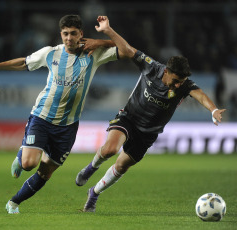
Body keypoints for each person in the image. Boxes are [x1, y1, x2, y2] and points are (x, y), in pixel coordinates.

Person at [75, 16, 226, 212]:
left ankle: (94, 193)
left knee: (121, 167)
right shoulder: (151, 67)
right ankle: (91, 168)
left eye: (182, 81)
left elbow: (201, 95)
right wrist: (108, 30)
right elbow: (128, 49)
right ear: (167, 71)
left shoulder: (184, 85)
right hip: (129, 118)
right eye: (177, 80)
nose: (179, 84)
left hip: (148, 133)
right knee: (110, 150)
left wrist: (213, 109)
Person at [0, 15, 120, 214]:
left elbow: (126, 49)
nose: (69, 38)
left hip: (68, 125)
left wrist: (102, 38)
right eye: (65, 34)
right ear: (61, 35)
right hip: (42, 117)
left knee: (46, 172)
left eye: (73, 34)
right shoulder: (50, 53)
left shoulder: (94, 53)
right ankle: (21, 155)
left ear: (81, 34)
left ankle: (13, 203)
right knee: (29, 163)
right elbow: (24, 63)